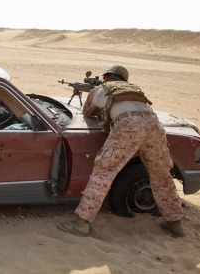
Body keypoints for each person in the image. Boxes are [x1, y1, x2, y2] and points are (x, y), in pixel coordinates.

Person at [56, 65, 185, 237]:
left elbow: (87, 112)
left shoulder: (102, 89)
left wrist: (94, 94)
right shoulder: (135, 89)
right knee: (161, 174)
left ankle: (81, 223)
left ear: (106, 78)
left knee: (104, 171)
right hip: (154, 125)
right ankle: (175, 223)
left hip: (128, 126)